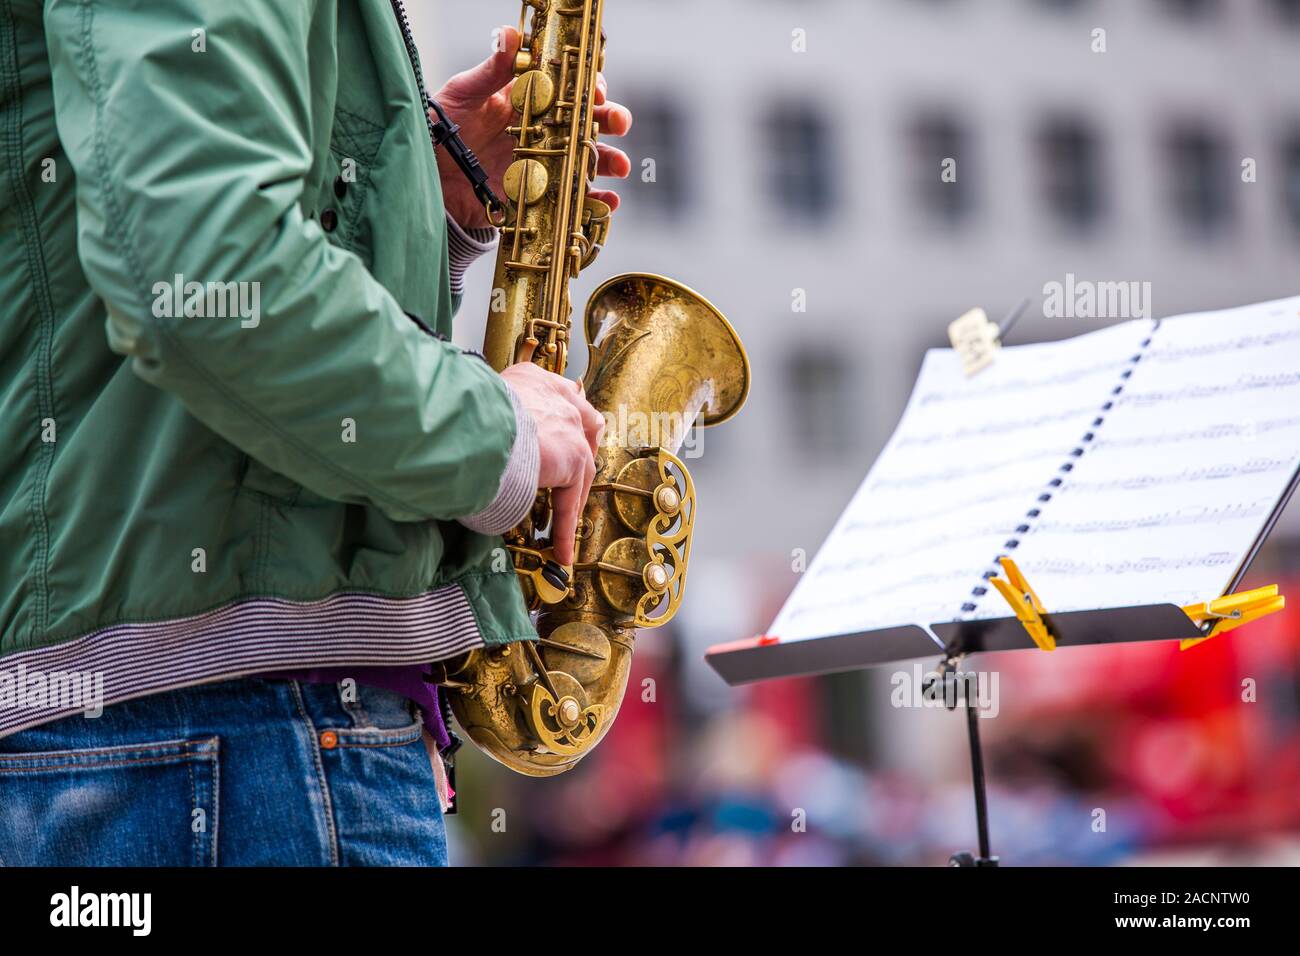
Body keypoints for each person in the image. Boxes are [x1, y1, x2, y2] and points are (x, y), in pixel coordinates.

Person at [0, 0, 632, 866]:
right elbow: (199, 274)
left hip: (201, 741)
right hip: (232, 737)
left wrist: (418, 198)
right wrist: (494, 431)